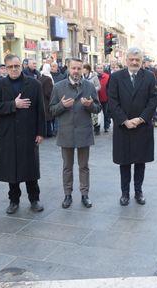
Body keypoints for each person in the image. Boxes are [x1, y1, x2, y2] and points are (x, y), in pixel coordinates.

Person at [0, 54, 46, 214]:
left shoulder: (34, 84)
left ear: (21, 66)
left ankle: (34, 199)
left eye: (17, 66)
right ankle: (13, 200)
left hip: (29, 133)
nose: (14, 69)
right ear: (5, 68)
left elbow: (40, 110)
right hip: (9, 134)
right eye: (10, 67)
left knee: (30, 168)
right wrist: (13, 105)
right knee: (11, 169)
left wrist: (41, 132)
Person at [108, 47, 157, 206]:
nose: (134, 62)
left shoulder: (149, 77)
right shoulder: (116, 77)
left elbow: (153, 101)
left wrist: (141, 119)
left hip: (142, 127)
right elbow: (112, 101)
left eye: (137, 59)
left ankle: (138, 191)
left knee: (140, 162)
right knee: (124, 162)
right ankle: (124, 193)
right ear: (126, 60)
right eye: (131, 59)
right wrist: (125, 120)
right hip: (123, 128)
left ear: (141, 61)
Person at [50, 58, 101, 209]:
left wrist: (90, 105)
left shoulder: (89, 86)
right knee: (67, 166)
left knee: (84, 166)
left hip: (84, 131)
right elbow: (51, 110)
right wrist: (62, 105)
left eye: (79, 68)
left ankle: (85, 194)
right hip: (66, 132)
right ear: (68, 68)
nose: (76, 71)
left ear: (83, 69)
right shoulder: (58, 87)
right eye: (73, 68)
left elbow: (98, 108)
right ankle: (68, 195)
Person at [82, 63, 101, 135]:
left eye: (85, 69)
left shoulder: (94, 77)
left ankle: (97, 128)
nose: (83, 70)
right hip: (84, 97)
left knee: (95, 113)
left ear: (88, 70)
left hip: (93, 96)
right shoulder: (81, 77)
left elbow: (99, 86)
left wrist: (92, 90)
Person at [142, 57, 157, 128]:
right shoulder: (139, 70)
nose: (148, 63)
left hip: (151, 90)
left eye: (149, 62)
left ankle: (155, 120)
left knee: (152, 106)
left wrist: (156, 87)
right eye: (146, 62)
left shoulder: (153, 70)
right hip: (142, 93)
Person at [39, 64, 55, 137]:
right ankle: (48, 132)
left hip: (41, 99)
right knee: (48, 118)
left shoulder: (40, 77)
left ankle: (44, 132)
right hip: (46, 101)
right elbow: (49, 92)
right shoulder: (48, 78)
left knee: (44, 118)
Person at [96, 64, 111, 132]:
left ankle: (106, 126)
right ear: (96, 69)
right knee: (96, 114)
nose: (99, 70)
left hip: (105, 98)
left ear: (103, 69)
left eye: (101, 68)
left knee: (106, 114)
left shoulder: (107, 77)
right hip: (96, 99)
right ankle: (97, 128)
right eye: (98, 68)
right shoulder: (94, 77)